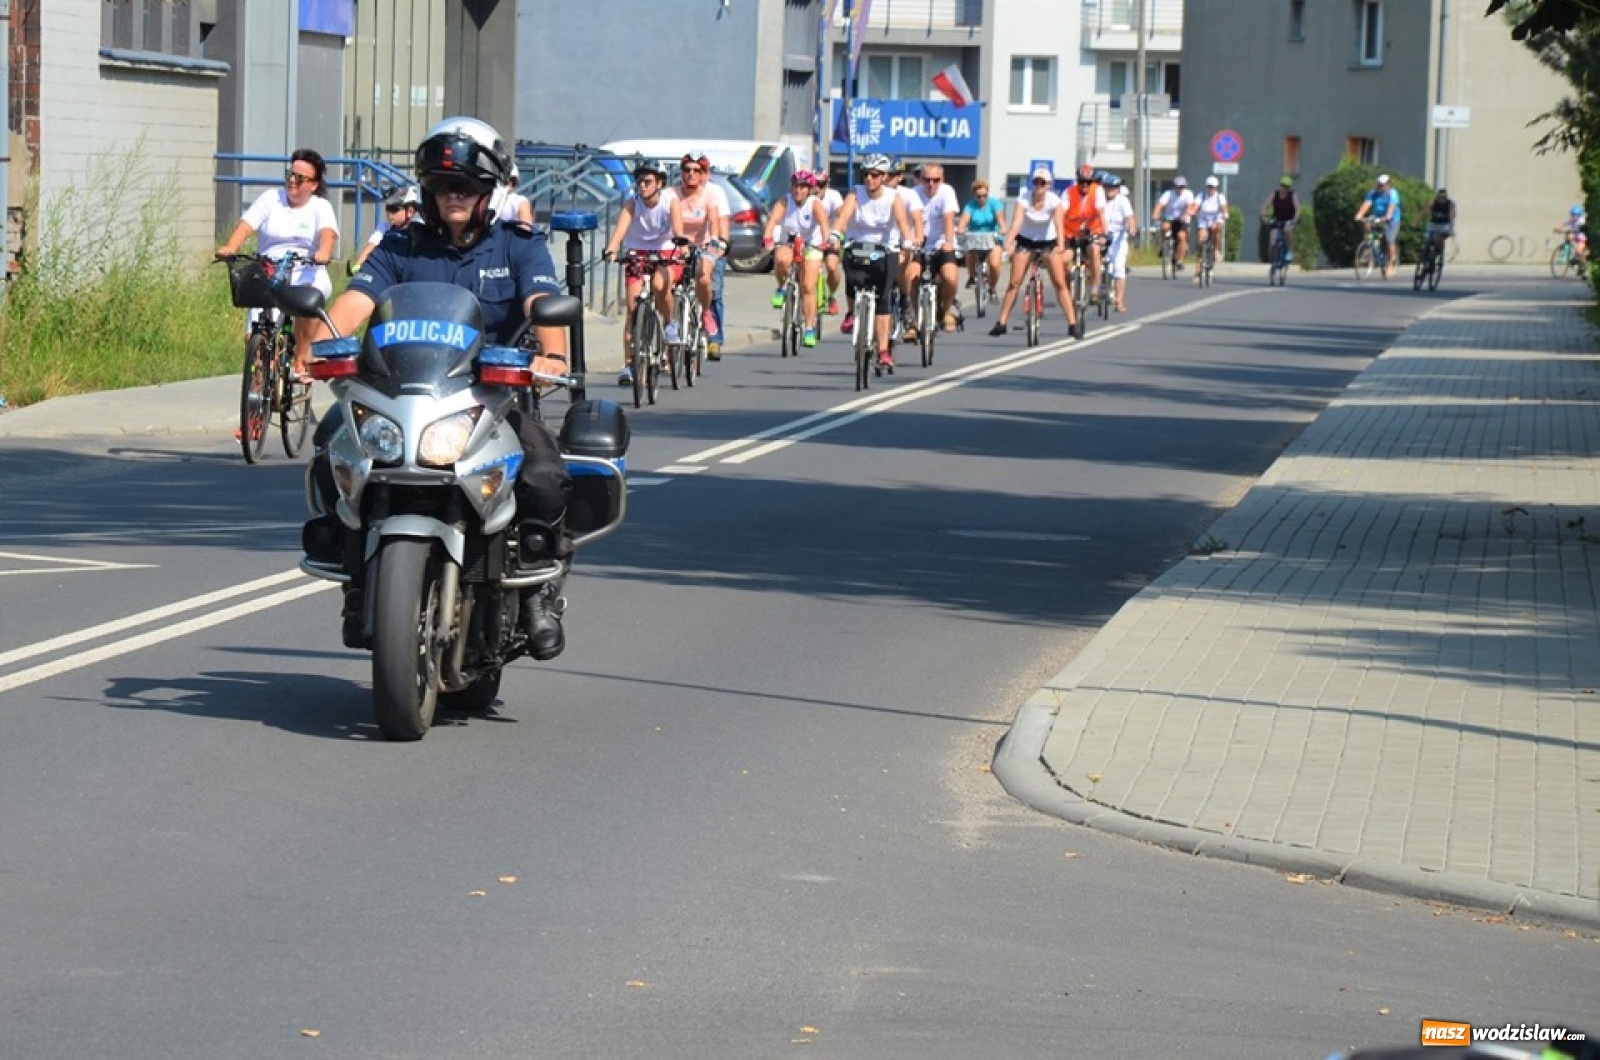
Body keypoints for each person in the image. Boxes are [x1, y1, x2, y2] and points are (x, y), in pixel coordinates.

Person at [314, 116, 571, 659]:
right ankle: (352, 570)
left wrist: (550, 354)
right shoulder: (401, 245)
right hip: (400, 396)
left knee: (545, 472)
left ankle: (536, 592)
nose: (453, 195)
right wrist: (321, 339)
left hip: (488, 402)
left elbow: (540, 305)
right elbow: (356, 302)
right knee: (328, 447)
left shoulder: (519, 247)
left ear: (490, 190)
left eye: (466, 185)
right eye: (441, 185)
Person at [216, 147, 339, 381]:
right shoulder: (270, 198)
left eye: (300, 178)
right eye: (290, 174)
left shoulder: (320, 206)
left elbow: (328, 234)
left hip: (307, 270)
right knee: (256, 328)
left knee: (307, 304)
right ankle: (261, 379)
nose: (292, 181)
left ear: (313, 185)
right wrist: (231, 247)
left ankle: (301, 359)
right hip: (270, 269)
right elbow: (246, 225)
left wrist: (323, 252)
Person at [601, 159, 685, 387]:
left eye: (647, 181)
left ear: (660, 183)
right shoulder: (633, 203)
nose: (642, 186)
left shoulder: (671, 201)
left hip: (666, 251)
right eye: (639, 181)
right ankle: (629, 364)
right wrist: (611, 248)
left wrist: (681, 245)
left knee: (660, 286)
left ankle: (669, 324)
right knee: (632, 308)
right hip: (638, 252)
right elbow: (620, 231)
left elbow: (678, 229)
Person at [831, 153, 915, 369]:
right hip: (857, 245)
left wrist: (908, 241)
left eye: (875, 175)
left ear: (884, 176)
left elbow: (902, 221)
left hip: (885, 249)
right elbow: (843, 217)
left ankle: (884, 351)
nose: (870, 179)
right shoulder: (856, 193)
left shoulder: (892, 197)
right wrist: (835, 234)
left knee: (883, 298)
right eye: (866, 174)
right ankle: (852, 312)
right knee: (851, 279)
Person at [989, 165, 1076, 337]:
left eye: (1042, 182)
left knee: (1059, 282)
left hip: (1047, 242)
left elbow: (1059, 225)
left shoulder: (1054, 201)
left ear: (1049, 185)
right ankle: (1002, 322)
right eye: (1036, 182)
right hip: (1026, 240)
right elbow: (1017, 222)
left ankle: (1072, 323)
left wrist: (1060, 246)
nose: (1039, 185)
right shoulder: (1024, 199)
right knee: (1014, 282)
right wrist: (1009, 242)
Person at [671, 151, 730, 359]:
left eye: (697, 170)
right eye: (687, 170)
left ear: (705, 173)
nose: (692, 174)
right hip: (676, 247)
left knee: (706, 280)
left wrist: (718, 240)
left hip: (704, 245)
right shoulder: (672, 194)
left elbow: (717, 221)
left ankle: (709, 323)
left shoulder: (712, 194)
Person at [763, 169, 831, 347]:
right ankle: (781, 287)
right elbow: (773, 221)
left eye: (802, 187)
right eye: (795, 186)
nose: (798, 191)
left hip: (812, 245)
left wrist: (825, 242)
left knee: (808, 286)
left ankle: (809, 328)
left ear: (809, 189)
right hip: (789, 241)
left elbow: (824, 224)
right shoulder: (785, 201)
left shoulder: (814, 204)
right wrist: (768, 237)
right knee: (782, 260)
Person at [915, 163, 962, 331]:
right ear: (920, 179)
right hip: (918, 245)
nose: (931, 184)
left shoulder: (947, 192)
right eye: (927, 180)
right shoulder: (914, 194)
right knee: (911, 277)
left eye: (936, 180)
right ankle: (913, 319)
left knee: (950, 277)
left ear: (942, 180)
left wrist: (948, 241)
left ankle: (947, 309)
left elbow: (948, 218)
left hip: (942, 244)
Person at [887, 160, 926, 339]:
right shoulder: (873, 194)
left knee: (900, 264)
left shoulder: (908, 195)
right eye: (884, 174)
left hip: (903, 242)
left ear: (900, 177)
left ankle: (905, 301)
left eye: (892, 175)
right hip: (881, 244)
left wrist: (917, 238)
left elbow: (917, 219)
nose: (887, 179)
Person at [351, 184, 420, 274]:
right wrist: (358, 265)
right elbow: (371, 246)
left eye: (394, 209)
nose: (389, 214)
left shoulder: (420, 227)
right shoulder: (384, 227)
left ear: (410, 211)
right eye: (387, 208)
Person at [957, 179, 1006, 304]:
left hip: (992, 235)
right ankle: (972, 276)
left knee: (994, 264)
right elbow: (963, 222)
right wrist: (961, 229)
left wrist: (1003, 229)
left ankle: (992, 288)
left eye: (985, 196)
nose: (982, 199)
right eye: (979, 196)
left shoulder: (995, 204)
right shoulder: (970, 206)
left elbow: (1001, 221)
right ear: (974, 195)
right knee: (970, 252)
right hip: (975, 236)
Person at [1063, 163, 1107, 295]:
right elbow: (1060, 213)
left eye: (1088, 182)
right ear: (1077, 181)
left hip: (1092, 231)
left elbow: (1101, 213)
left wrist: (1104, 234)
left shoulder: (1098, 191)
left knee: (1094, 250)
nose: (1085, 185)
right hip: (1071, 233)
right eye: (1082, 182)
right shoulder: (1069, 192)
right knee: (1064, 260)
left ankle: (1095, 286)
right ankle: (1066, 290)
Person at [1353, 173, 1401, 279]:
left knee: (1389, 240)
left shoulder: (1392, 193)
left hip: (1391, 219)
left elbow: (1391, 206)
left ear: (1388, 185)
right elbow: (1367, 204)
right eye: (1379, 184)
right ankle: (1368, 246)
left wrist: (1387, 217)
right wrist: (1359, 215)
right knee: (1366, 223)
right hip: (1377, 216)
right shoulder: (1373, 193)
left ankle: (1390, 263)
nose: (1380, 186)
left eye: (1382, 185)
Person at [1101, 174, 1137, 312]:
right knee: (1099, 266)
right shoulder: (1099, 200)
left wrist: (1132, 228)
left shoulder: (1122, 201)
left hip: (1118, 237)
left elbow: (1130, 217)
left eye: (1114, 187)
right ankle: (1097, 291)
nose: (1111, 190)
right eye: (1108, 187)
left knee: (1119, 267)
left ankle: (1119, 301)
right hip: (1101, 235)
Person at [1187, 175, 1229, 282]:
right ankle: (1197, 273)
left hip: (1216, 219)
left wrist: (1225, 214)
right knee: (1201, 243)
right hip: (1203, 220)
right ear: (1206, 187)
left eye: (1213, 187)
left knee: (1216, 229)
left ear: (1216, 188)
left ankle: (1215, 249)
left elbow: (1224, 208)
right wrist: (1192, 212)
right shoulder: (1201, 196)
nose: (1211, 189)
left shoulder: (1220, 197)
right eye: (1209, 187)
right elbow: (1195, 206)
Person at [816, 169, 846, 315]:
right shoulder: (807, 195)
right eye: (814, 184)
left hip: (830, 236)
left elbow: (841, 214)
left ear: (827, 184)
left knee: (832, 266)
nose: (817, 188)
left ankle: (832, 296)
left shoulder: (833, 196)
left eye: (821, 185)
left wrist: (838, 233)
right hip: (812, 237)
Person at [1152, 175, 1195, 269]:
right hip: (1170, 217)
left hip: (1182, 218)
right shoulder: (1168, 194)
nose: (1180, 189)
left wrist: (1186, 215)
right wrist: (1155, 214)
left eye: (1182, 187)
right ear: (1174, 186)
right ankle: (1164, 245)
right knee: (1164, 227)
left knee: (1181, 236)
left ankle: (1180, 260)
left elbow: (1190, 206)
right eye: (1178, 187)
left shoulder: (1188, 194)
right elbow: (1160, 205)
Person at [1261, 175, 1300, 264]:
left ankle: (1289, 252)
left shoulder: (1292, 195)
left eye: (1286, 186)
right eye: (1282, 185)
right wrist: (1263, 215)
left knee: (1287, 231)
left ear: (1289, 188)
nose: (1284, 188)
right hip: (1277, 218)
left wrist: (1295, 219)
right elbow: (1265, 206)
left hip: (1288, 219)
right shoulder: (1274, 194)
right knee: (1273, 239)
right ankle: (1273, 259)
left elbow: (1297, 209)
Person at [1425, 187, 1456, 258]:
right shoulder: (1434, 202)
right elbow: (1425, 211)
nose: (1441, 199)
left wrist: (1451, 228)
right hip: (1434, 224)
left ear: (1446, 197)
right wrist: (1416, 221)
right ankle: (1426, 256)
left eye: (1443, 197)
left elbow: (1451, 216)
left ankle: (1438, 253)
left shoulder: (1450, 204)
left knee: (1439, 239)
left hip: (1445, 225)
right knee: (1427, 239)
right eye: (1439, 197)